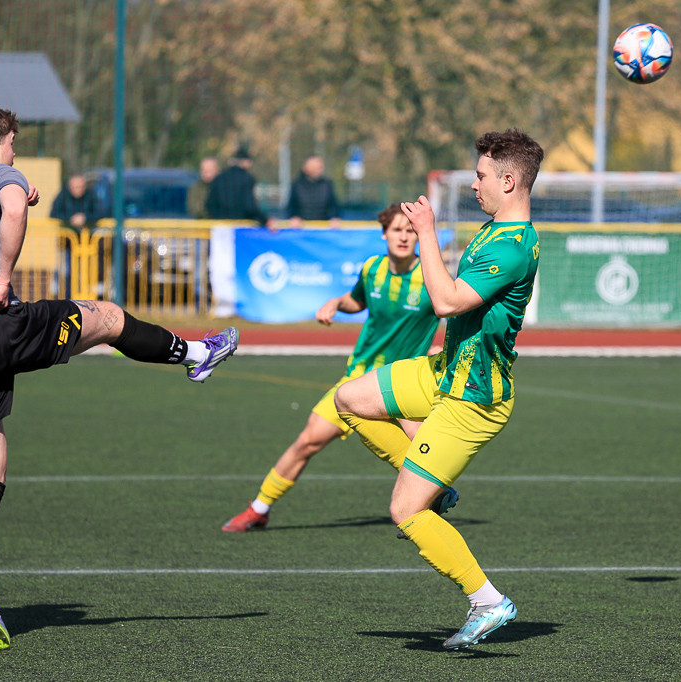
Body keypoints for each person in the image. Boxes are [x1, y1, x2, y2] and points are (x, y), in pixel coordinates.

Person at [0, 103, 240, 650]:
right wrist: (2, 277)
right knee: (109, 317)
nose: (16, 151)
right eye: (13, 142)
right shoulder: (1, 172)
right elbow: (12, 209)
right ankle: (194, 354)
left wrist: (11, 201)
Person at [333, 129, 544, 651]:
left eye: (481, 175)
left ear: (509, 180)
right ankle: (441, 488)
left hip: (474, 399)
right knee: (349, 399)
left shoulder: (515, 248)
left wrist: (425, 230)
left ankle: (487, 600)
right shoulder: (494, 230)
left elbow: (448, 302)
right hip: (446, 371)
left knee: (406, 511)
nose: (474, 183)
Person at [222, 203, 447, 532]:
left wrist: (444, 348)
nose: (404, 236)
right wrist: (336, 303)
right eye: (397, 229)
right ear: (384, 234)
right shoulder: (373, 269)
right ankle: (259, 508)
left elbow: (456, 310)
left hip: (404, 383)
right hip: (358, 378)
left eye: (411, 230)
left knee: (424, 450)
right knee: (307, 441)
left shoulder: (430, 275)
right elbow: (356, 300)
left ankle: (433, 502)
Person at [206, 146, 275, 229]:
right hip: (242, 228)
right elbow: (249, 206)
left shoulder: (218, 179)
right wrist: (265, 220)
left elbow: (210, 204)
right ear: (246, 162)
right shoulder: (247, 179)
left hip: (220, 228)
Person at [287, 155, 340, 228]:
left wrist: (335, 218)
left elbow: (334, 206)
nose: (320, 170)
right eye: (316, 167)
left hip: (323, 229)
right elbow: (291, 207)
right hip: (302, 229)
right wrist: (294, 218)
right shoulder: (297, 185)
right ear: (306, 168)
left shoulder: (327, 184)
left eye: (320, 167)